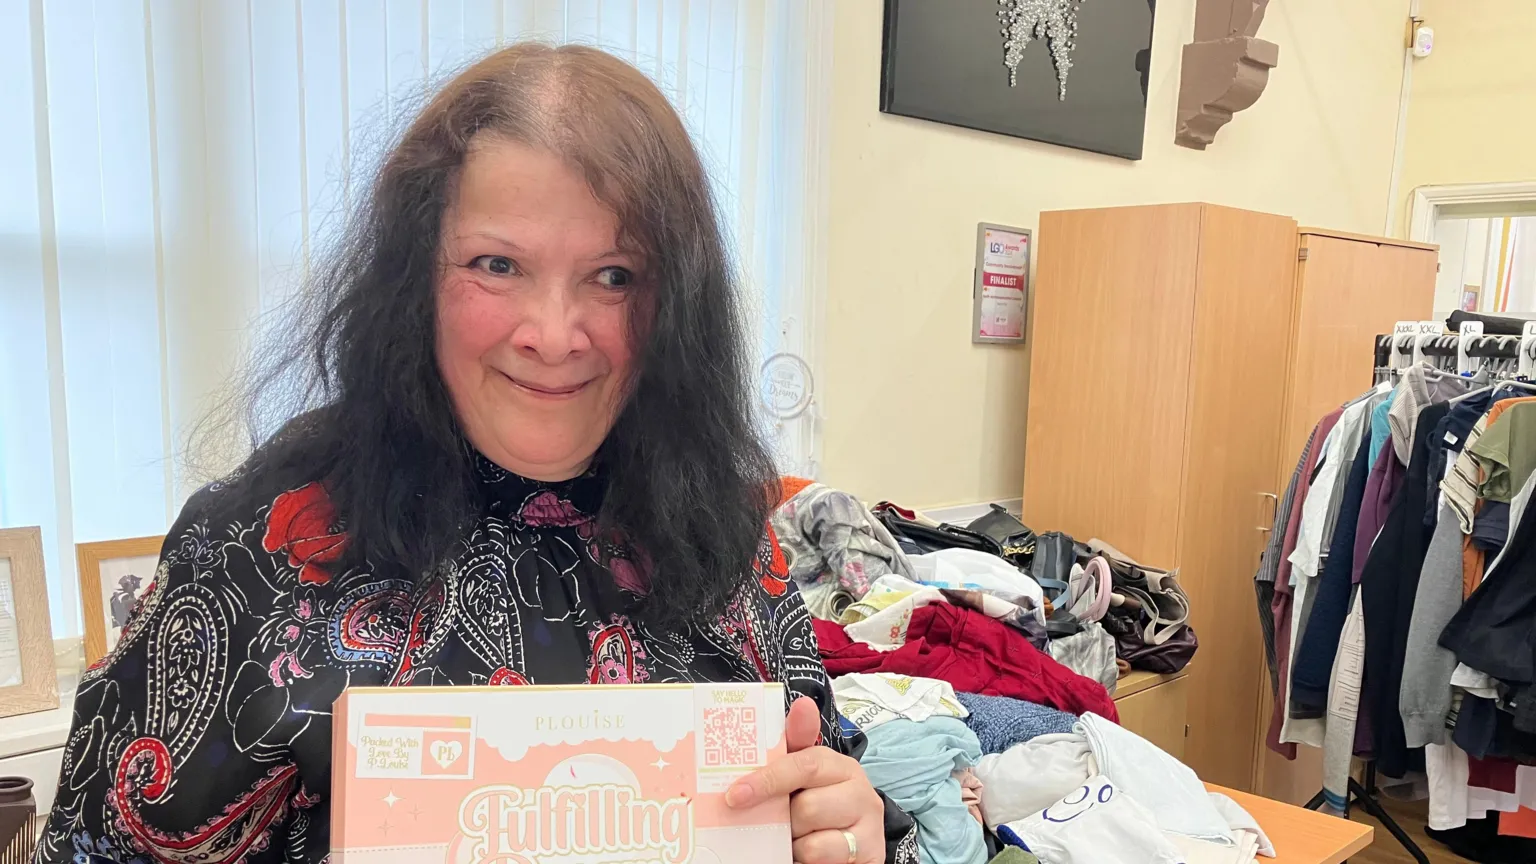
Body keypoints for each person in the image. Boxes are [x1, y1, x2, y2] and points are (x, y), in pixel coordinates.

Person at [36, 43, 912, 864]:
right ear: (415, 278)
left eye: (614, 276)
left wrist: (851, 826)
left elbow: (814, 780)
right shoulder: (254, 551)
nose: (555, 334)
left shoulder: (721, 529)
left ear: (675, 302)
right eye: (497, 265)